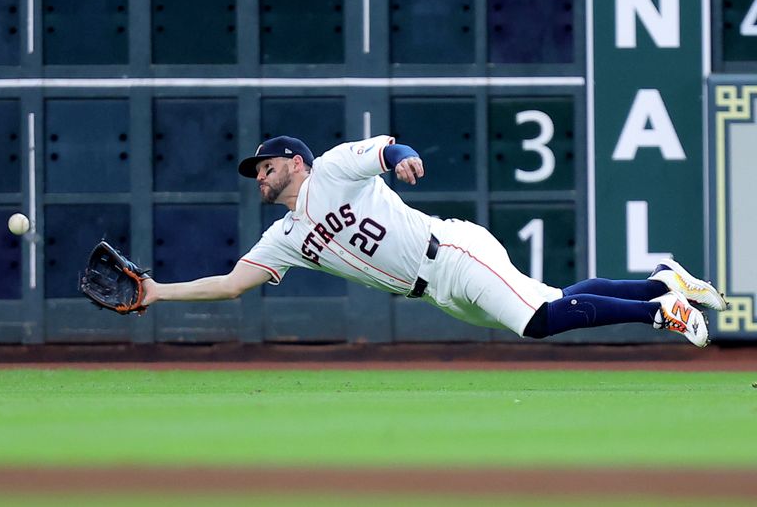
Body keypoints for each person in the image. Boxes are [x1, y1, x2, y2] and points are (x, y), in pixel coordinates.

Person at [142, 135, 728, 347]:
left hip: (450, 252)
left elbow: (386, 149)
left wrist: (405, 158)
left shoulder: (333, 169)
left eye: (265, 167)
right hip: (438, 293)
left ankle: (659, 312)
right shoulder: (284, 236)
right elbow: (228, 284)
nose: (260, 177)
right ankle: (661, 281)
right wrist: (159, 292)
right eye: (256, 173)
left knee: (539, 322)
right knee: (554, 299)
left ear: (294, 162)